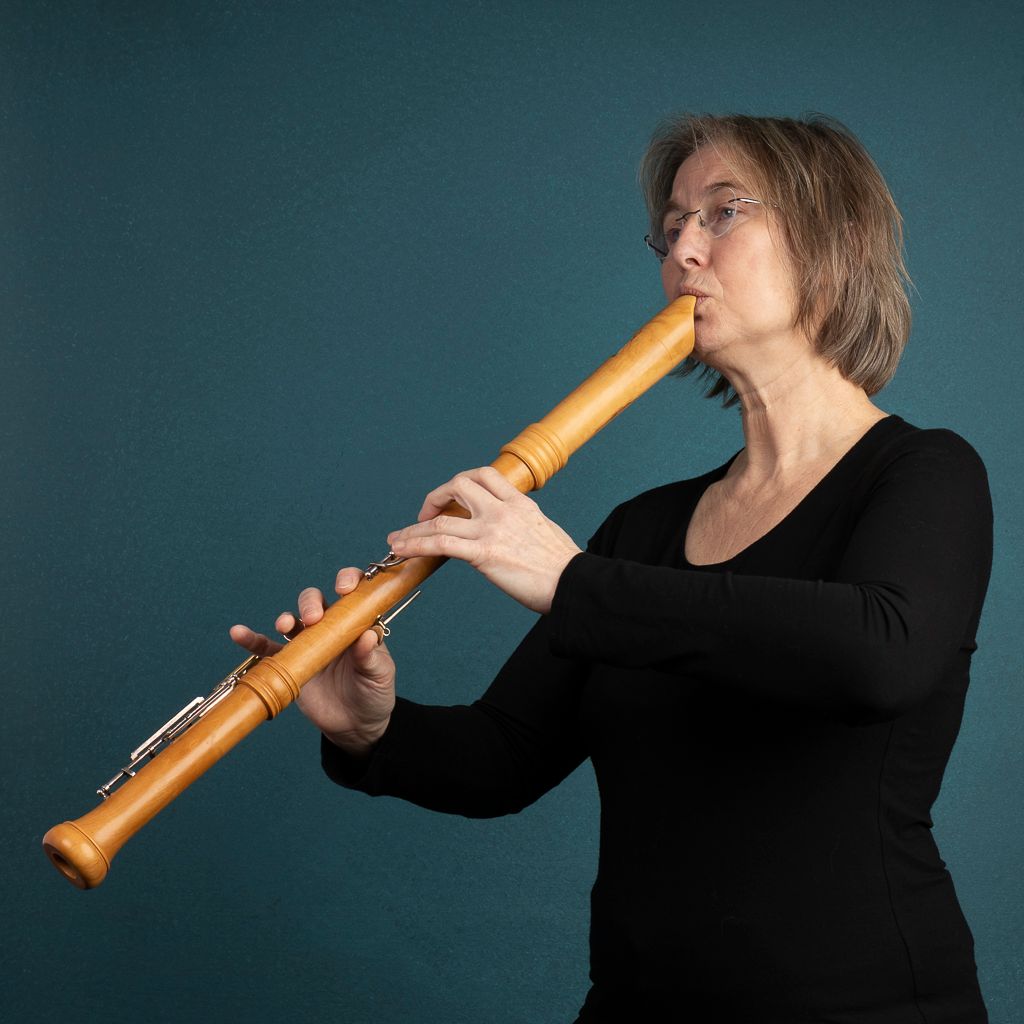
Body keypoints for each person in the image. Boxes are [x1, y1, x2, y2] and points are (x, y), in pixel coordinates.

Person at [231, 114, 993, 1022]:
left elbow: (876, 657)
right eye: (671, 228)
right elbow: (503, 758)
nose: (685, 251)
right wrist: (371, 730)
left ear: (837, 238)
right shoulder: (644, 529)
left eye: (723, 213)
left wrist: (571, 583)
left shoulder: (925, 474)